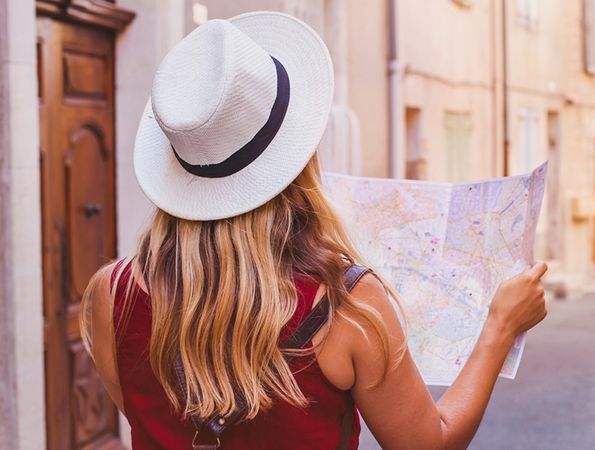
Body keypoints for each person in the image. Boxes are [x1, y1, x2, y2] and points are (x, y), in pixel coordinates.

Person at [80, 11, 548, 450]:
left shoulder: (111, 294)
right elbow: (429, 443)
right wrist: (500, 327)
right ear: (298, 159)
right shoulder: (343, 302)